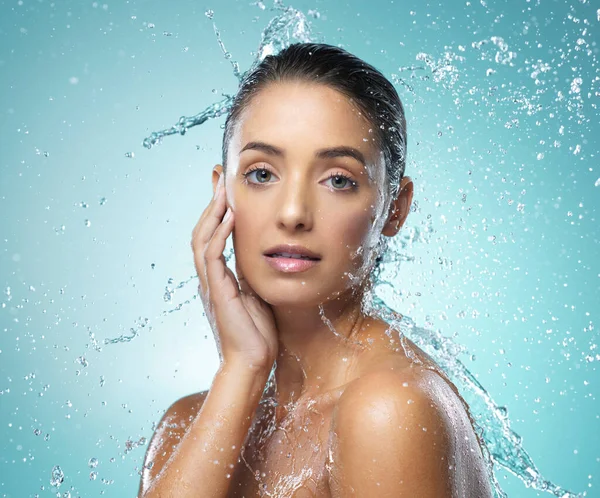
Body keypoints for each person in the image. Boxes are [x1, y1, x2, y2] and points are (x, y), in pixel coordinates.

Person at [138, 42, 494, 497]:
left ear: (394, 209)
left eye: (338, 180)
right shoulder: (191, 423)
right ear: (221, 192)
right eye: (262, 174)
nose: (292, 213)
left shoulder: (389, 409)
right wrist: (242, 369)